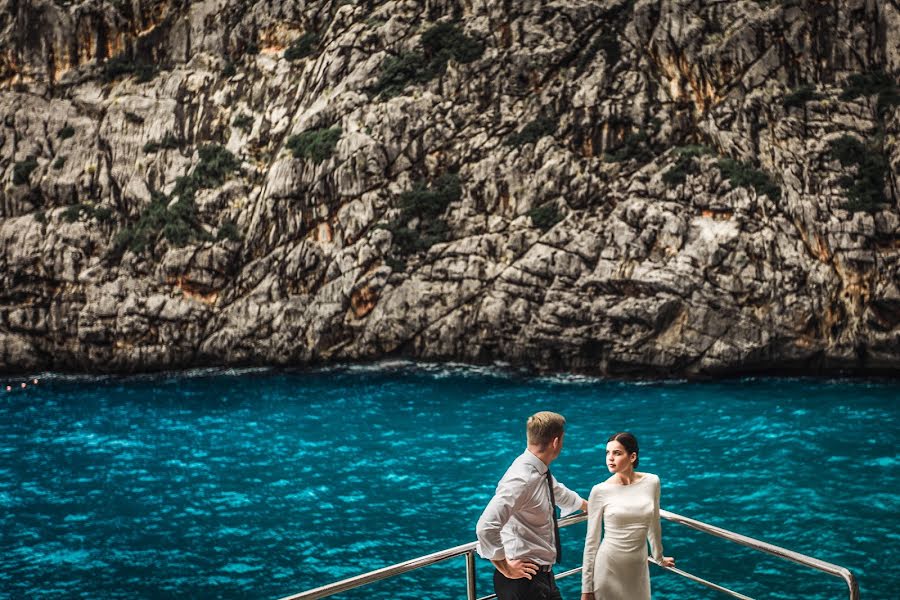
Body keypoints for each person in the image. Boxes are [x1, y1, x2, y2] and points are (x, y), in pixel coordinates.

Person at [476, 411, 588, 600]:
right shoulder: (522, 479)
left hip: (542, 576)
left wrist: (592, 507)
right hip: (523, 580)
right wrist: (506, 568)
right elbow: (486, 526)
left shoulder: (539, 471)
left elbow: (559, 492)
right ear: (556, 442)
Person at [581, 432, 675, 600]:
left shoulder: (652, 481)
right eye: (607, 453)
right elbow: (592, 542)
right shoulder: (600, 490)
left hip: (638, 569)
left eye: (617, 453)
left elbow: (654, 523)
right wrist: (586, 589)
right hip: (608, 568)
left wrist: (658, 557)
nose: (610, 458)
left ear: (632, 456)